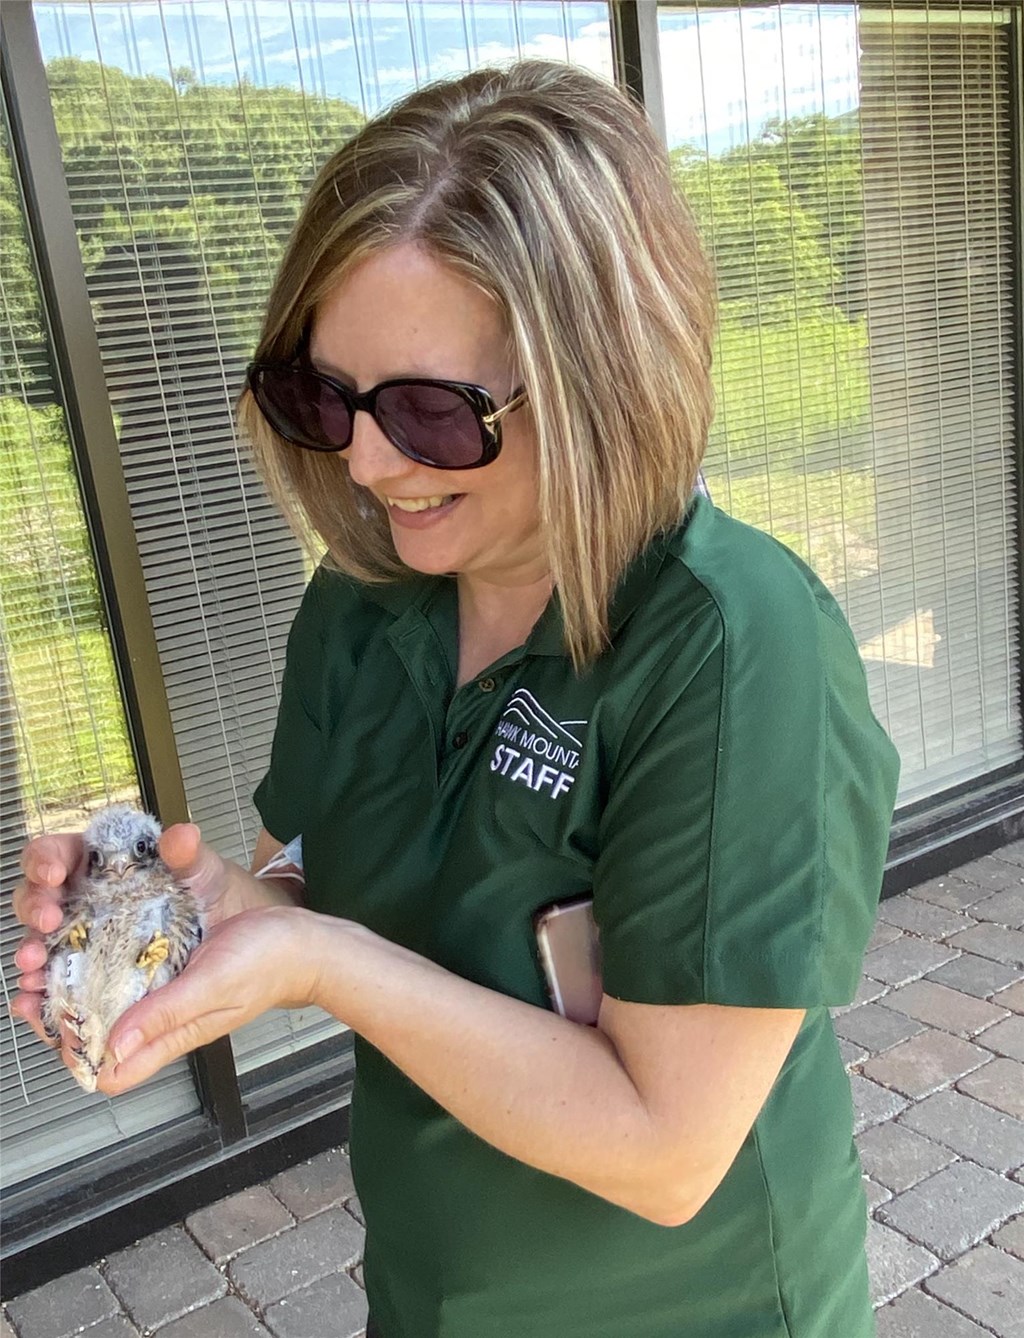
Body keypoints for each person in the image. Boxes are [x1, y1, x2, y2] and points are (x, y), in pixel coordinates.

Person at [13, 59, 900, 1338]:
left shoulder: (733, 645)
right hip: (437, 1294)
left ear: (604, 381)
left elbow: (666, 1145)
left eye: (432, 412)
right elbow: (315, 874)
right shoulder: (368, 600)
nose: (369, 462)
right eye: (327, 396)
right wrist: (186, 920)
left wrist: (324, 964)